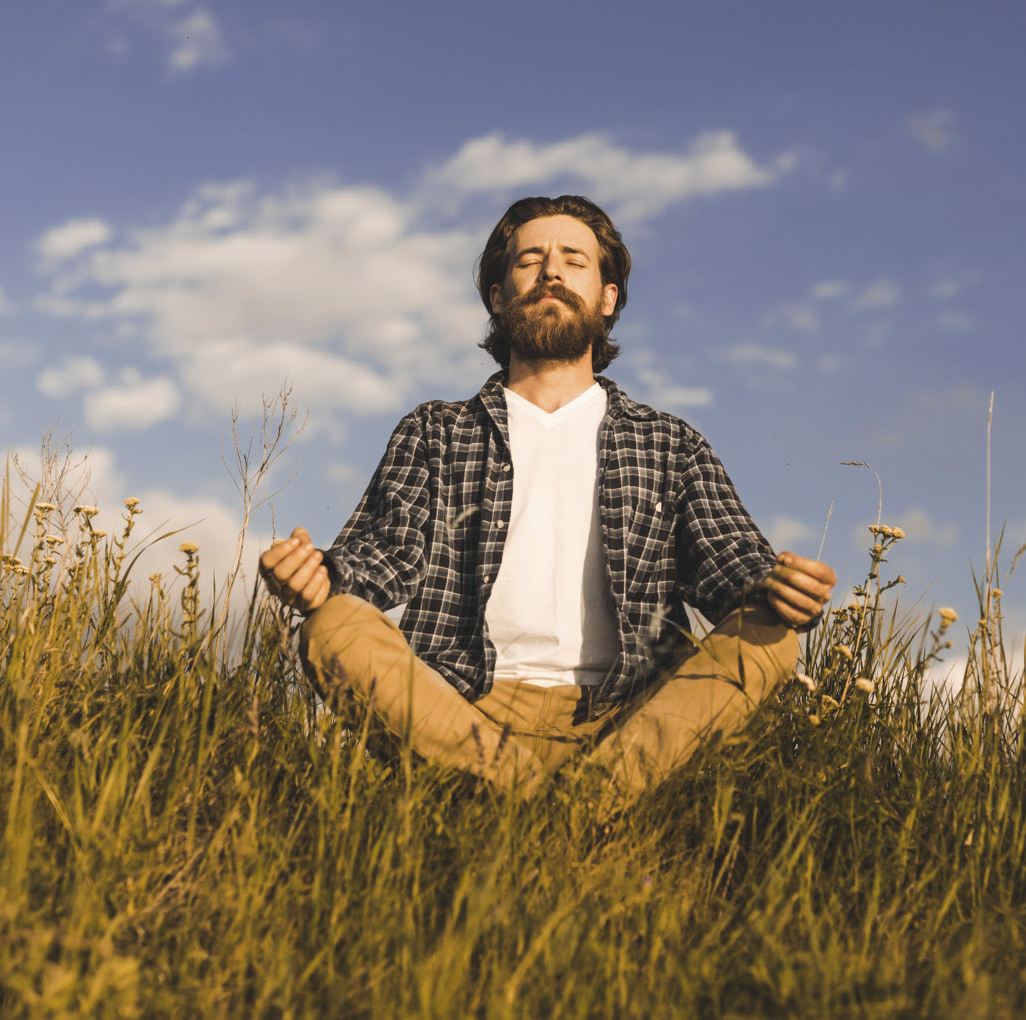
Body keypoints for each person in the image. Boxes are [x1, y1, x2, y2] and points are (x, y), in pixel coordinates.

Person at [259, 195, 835, 810]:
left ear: (607, 298)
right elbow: (381, 558)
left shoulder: (670, 443)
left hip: (630, 715)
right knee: (332, 627)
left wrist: (783, 588)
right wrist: (318, 575)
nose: (551, 272)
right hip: (462, 706)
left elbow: (733, 569)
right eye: (530, 260)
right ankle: (568, 807)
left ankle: (554, 801)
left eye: (573, 261)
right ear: (498, 297)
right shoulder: (438, 430)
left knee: (773, 635)